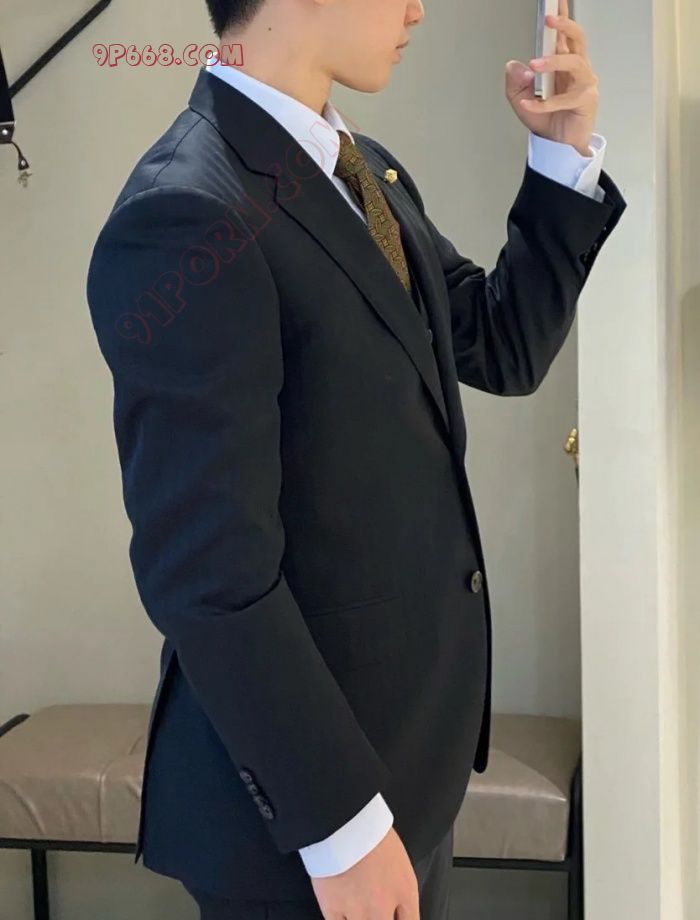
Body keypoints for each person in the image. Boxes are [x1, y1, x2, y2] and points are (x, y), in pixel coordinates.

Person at [85, 0, 626, 918]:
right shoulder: (187, 212)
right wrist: (340, 828)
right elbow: (207, 574)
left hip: (405, 768)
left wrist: (560, 158)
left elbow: (501, 344)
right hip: (306, 822)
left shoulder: (359, 167)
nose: (417, 8)